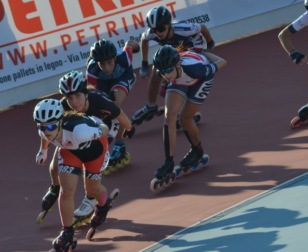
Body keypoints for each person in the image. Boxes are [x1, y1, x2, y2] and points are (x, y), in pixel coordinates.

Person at [36, 71, 135, 226]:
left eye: (78, 96)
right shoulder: (63, 106)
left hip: (104, 128)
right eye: (69, 98)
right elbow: (47, 129)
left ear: (86, 93)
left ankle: (90, 197)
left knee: (91, 158)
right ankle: (55, 188)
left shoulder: (99, 101)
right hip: (75, 133)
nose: (74, 102)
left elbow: (119, 114)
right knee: (54, 167)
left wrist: (129, 128)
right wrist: (44, 150)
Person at [33, 98, 113, 251]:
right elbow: (44, 137)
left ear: (60, 122)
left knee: (93, 189)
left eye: (50, 126)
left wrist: (99, 124)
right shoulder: (45, 130)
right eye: (42, 127)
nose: (47, 131)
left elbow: (105, 131)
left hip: (95, 151)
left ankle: (103, 206)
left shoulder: (80, 131)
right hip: (70, 151)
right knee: (67, 191)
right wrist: (43, 151)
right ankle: (67, 231)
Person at [151, 45, 227, 185]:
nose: (166, 75)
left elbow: (222, 61)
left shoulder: (196, 69)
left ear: (177, 64)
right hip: (180, 79)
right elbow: (164, 74)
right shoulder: (166, 72)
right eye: (162, 72)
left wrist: (203, 52)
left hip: (201, 80)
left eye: (168, 70)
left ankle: (197, 151)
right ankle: (168, 162)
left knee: (185, 119)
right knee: (169, 117)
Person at [131, 5, 216, 126]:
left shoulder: (183, 29)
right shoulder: (153, 33)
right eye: (154, 30)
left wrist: (210, 42)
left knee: (178, 73)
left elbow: (202, 27)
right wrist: (144, 63)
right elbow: (144, 39)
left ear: (169, 24)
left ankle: (186, 110)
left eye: (161, 28)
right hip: (177, 49)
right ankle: (151, 106)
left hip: (194, 47)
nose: (158, 33)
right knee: (157, 70)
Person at [86, 38, 139, 170]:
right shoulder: (92, 70)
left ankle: (119, 144)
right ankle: (104, 138)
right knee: (102, 107)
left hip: (124, 77)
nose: (107, 68)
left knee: (116, 104)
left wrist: (136, 47)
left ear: (114, 58)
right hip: (103, 83)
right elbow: (93, 95)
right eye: (102, 64)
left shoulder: (124, 57)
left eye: (109, 62)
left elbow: (130, 44)